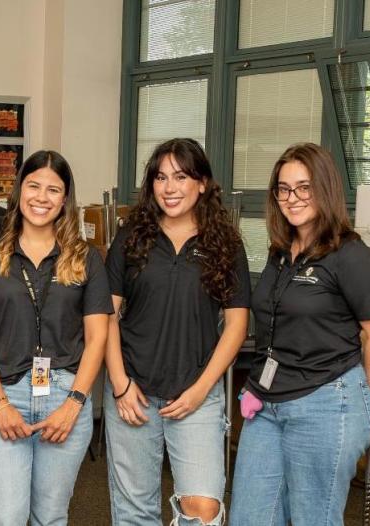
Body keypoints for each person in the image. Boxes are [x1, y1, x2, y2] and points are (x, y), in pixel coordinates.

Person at [230, 142, 370, 525]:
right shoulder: (280, 253)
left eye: (304, 187)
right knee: (249, 517)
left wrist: (349, 393)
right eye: (284, 189)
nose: (293, 198)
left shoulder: (350, 255)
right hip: (267, 404)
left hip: (324, 404)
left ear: (325, 188)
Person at [0, 150, 112, 526]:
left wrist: (75, 405)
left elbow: (97, 338)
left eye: (53, 189)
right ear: (19, 190)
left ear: (65, 199)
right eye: (33, 186)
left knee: (50, 517)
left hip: (66, 397)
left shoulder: (86, 258)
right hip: (2, 395)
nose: (41, 197)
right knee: (7, 517)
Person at [103, 138, 249, 525]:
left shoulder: (226, 243)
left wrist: (201, 389)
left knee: (203, 510)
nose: (170, 188)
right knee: (135, 511)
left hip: (196, 392)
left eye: (181, 177)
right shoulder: (131, 236)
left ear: (202, 183)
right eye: (161, 177)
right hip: (133, 392)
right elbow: (107, 316)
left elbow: (236, 325)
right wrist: (119, 383)